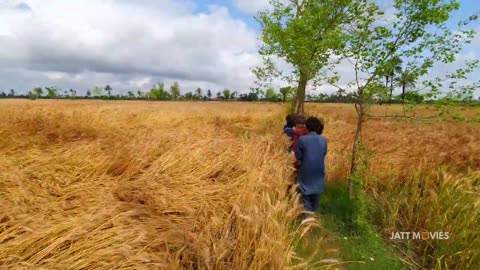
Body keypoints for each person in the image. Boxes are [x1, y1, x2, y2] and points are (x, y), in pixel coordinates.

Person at [294, 117, 327, 214]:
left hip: (306, 170)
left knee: (305, 195)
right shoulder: (323, 139)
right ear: (317, 128)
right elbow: (324, 153)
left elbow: (298, 156)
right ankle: (314, 216)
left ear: (306, 128)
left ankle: (307, 221)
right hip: (319, 170)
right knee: (316, 194)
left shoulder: (302, 139)